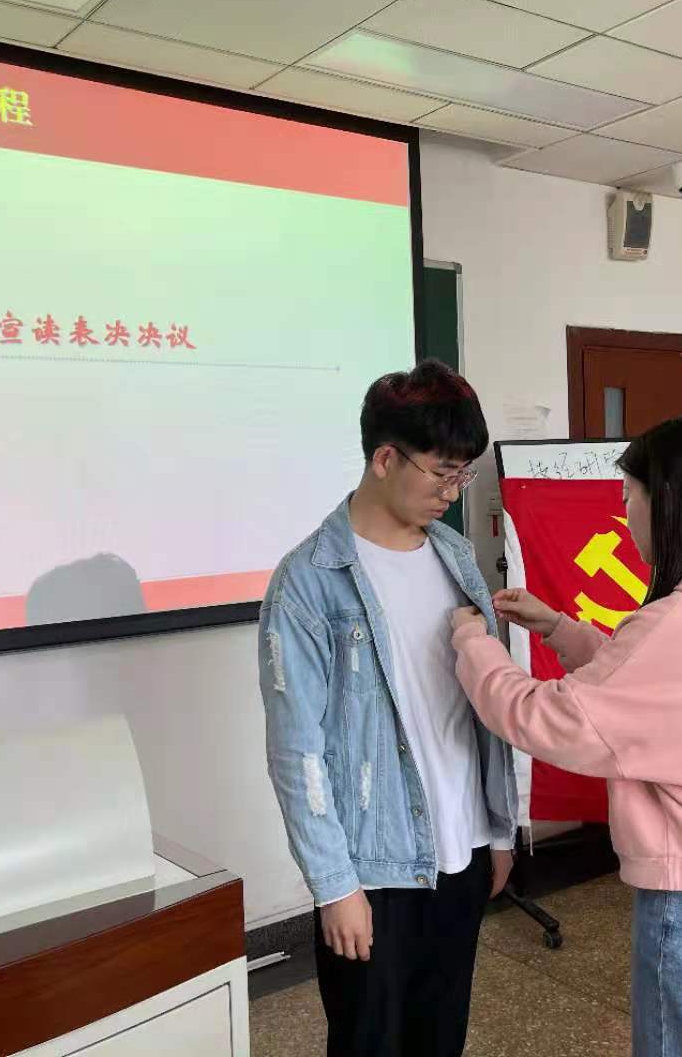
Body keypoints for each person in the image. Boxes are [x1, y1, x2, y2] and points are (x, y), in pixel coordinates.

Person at [450, 415, 682, 1057]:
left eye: (630, 498)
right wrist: (559, 628)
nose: (626, 518)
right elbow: (664, 691)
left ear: (669, 502)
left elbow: (547, 718)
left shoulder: (680, 624)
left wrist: (472, 643)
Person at [259, 359, 518, 1057]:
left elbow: (480, 713)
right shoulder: (310, 581)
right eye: (442, 474)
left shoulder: (455, 555)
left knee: (441, 1036)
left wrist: (497, 829)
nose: (452, 493)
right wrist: (334, 886)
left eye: (463, 476)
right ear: (384, 459)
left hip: (462, 849)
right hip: (373, 870)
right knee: (368, 1041)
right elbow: (296, 748)